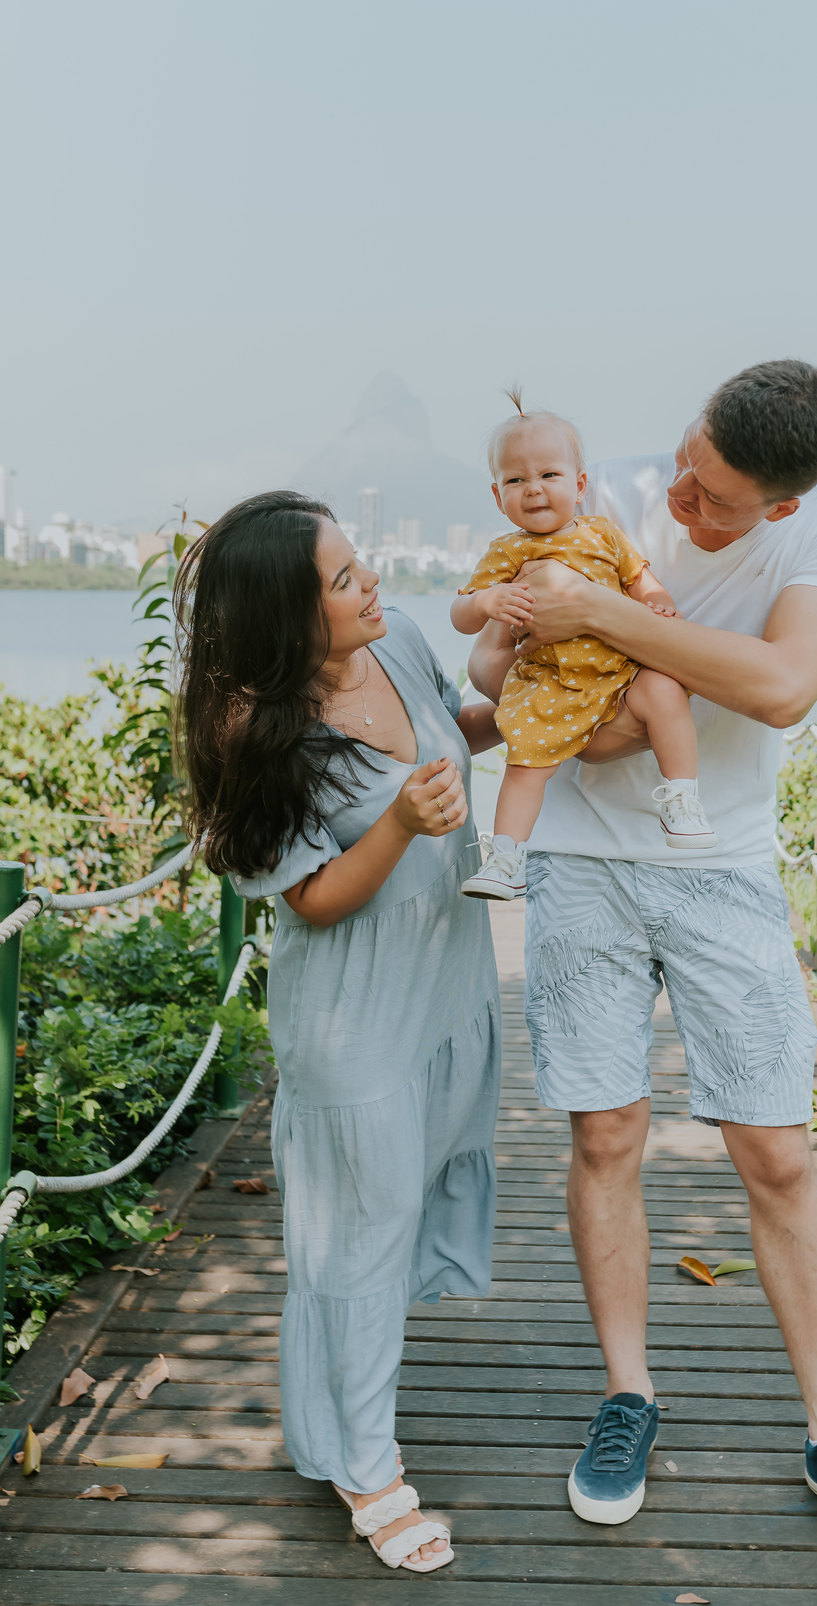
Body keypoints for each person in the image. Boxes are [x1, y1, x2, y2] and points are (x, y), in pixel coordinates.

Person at [469, 359, 817, 1566]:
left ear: (782, 505)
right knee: (604, 1134)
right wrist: (614, 669)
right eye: (684, 461)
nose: (680, 495)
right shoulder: (597, 490)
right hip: (579, 860)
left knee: (776, 1150)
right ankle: (628, 1395)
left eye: (713, 497)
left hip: (724, 864)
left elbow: (781, 687)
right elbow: (540, 694)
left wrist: (604, 621)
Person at [175, 490, 503, 1575]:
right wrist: (402, 822)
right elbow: (312, 901)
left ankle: (333, 1414)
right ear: (285, 615)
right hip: (354, 1015)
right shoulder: (253, 733)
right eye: (345, 580)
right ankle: (367, 1466)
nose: (374, 587)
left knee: (377, 1229)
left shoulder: (396, 640)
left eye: (363, 564)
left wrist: (536, 700)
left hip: (441, 981)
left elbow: (456, 727)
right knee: (359, 1240)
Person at [453, 394, 717, 902]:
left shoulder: (603, 533)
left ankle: (683, 798)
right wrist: (486, 600)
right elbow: (461, 615)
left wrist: (659, 604)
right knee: (525, 766)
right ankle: (507, 858)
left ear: (579, 486)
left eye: (549, 475)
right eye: (516, 480)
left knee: (664, 690)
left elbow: (640, 579)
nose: (533, 488)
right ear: (498, 496)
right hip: (550, 681)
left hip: (621, 672)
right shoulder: (507, 552)